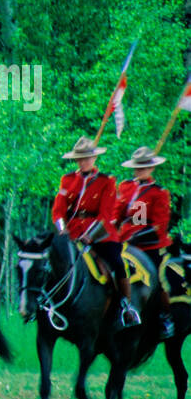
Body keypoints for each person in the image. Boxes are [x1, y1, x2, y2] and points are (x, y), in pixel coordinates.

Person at [52, 136, 140, 327]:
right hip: (71, 232)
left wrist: (90, 235)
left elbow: (106, 215)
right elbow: (58, 210)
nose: (83, 162)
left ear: (94, 159)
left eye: (86, 158)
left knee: (117, 263)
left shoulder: (106, 182)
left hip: (101, 233)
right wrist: (61, 229)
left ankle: (126, 306)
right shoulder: (67, 180)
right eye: (79, 158)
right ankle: (48, 304)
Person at [114, 145, 174, 338]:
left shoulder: (159, 193)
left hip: (150, 245)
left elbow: (159, 225)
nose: (140, 170)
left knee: (160, 279)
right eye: (137, 167)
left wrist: (138, 236)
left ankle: (165, 317)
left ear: (151, 169)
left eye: (144, 167)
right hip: (125, 241)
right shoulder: (125, 187)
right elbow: (117, 213)